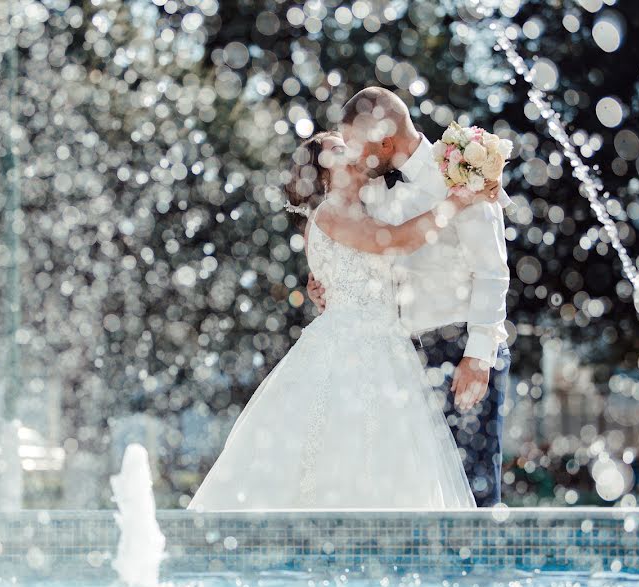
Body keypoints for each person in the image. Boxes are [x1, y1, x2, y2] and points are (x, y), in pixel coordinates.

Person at [187, 130, 497, 510]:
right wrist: (457, 200)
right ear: (320, 174)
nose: (349, 149)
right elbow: (395, 242)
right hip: (352, 347)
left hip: (385, 345)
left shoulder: (363, 208)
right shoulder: (332, 212)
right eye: (336, 149)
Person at [308, 87, 512, 506]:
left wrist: (477, 356)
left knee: (473, 491)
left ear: (385, 140)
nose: (353, 158)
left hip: (458, 347)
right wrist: (327, 283)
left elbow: (492, 270)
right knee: (419, 491)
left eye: (358, 147)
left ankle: (477, 572)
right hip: (397, 358)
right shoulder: (371, 186)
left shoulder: (460, 174)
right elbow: (365, 248)